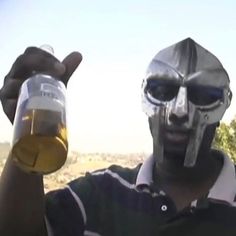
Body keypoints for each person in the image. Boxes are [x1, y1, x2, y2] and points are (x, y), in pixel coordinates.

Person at [0, 38, 235, 236]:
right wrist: (30, 129)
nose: (179, 111)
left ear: (226, 102)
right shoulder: (98, 195)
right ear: (144, 95)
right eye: (162, 91)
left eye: (203, 95)